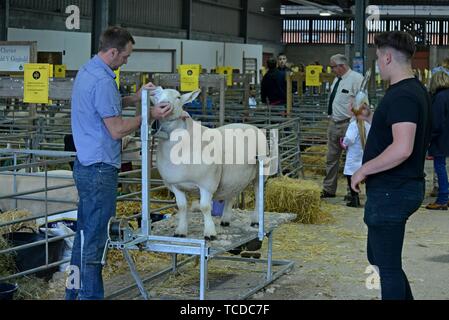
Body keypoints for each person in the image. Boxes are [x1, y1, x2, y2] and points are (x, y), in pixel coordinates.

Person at [66, 26, 173, 300]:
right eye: (126, 55)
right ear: (113, 51)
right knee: (95, 241)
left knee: (83, 236)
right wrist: (149, 114)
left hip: (86, 165)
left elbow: (105, 105)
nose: (127, 60)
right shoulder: (103, 81)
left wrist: (135, 98)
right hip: (100, 168)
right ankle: (90, 297)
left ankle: (74, 293)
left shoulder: (89, 71)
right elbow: (115, 129)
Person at [351, 31, 432, 300]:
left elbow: (402, 148)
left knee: (387, 268)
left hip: (393, 190)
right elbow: (396, 131)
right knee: (380, 258)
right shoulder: (412, 90)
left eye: (378, 57)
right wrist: (369, 116)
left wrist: (363, 169)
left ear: (387, 57)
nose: (378, 63)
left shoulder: (403, 96)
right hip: (395, 188)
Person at [321, 54, 363, 198]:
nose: (331, 69)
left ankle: (352, 191)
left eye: (333, 67)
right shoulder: (337, 79)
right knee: (331, 158)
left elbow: (362, 103)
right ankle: (328, 189)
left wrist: (356, 124)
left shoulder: (357, 79)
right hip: (334, 123)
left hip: (348, 124)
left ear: (342, 66)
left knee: (351, 160)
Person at [425, 69, 449, 210]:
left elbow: (437, 122)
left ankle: (442, 198)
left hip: (441, 139)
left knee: (440, 167)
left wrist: (429, 137)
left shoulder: (439, 98)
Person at [340, 117, 371, 207]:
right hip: (365, 153)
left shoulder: (353, 125)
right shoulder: (368, 124)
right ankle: (369, 199)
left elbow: (349, 139)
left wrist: (344, 142)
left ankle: (355, 199)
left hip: (354, 154)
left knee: (352, 176)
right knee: (367, 176)